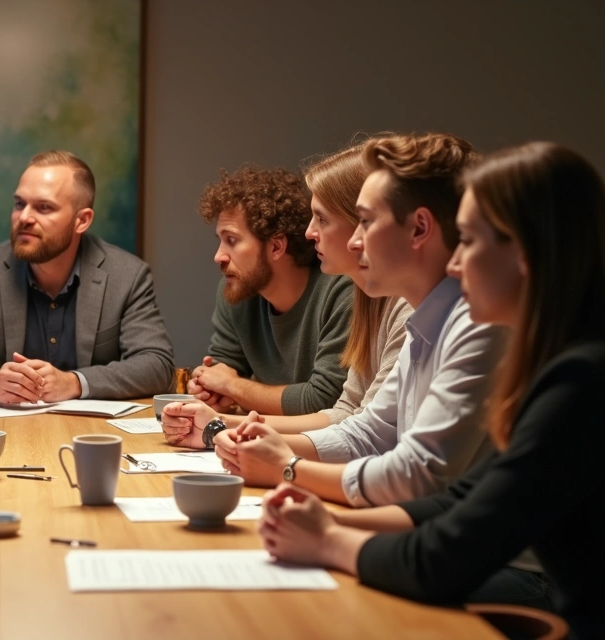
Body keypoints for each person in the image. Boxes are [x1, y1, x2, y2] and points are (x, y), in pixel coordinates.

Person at [258, 142, 605, 638]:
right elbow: (463, 497)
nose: (456, 264)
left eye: (466, 240)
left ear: (524, 254)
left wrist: (328, 540)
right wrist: (326, 522)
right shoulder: (562, 361)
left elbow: (447, 556)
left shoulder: (580, 380)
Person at [207, 133, 503, 508]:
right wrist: (259, 443)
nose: (354, 241)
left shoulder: (473, 323)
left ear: (419, 229)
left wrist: (286, 468)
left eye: (363, 221)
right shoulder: (426, 319)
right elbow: (366, 432)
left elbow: (419, 476)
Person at [164, 142, 410, 441]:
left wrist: (233, 393)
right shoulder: (368, 296)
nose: (309, 233)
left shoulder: (360, 293)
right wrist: (217, 407)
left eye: (322, 219)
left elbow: (340, 413)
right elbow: (348, 415)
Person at [0, 150, 174, 402]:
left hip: (87, 434)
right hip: (3, 431)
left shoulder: (128, 276)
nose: (25, 218)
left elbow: (156, 365)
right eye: (20, 204)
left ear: (82, 221)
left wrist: (73, 382)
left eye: (44, 207)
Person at [188, 165, 353, 415]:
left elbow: (325, 400)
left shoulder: (340, 290)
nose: (218, 256)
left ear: (276, 247)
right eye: (220, 241)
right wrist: (210, 387)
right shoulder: (236, 290)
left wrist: (232, 386)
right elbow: (225, 365)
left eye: (231, 240)